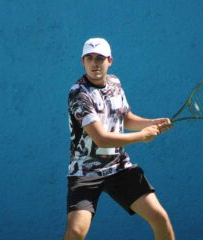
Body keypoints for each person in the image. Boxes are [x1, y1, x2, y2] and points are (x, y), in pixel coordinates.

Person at [64, 37, 175, 240]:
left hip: (119, 168)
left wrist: (152, 123)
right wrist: (142, 137)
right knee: (75, 232)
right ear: (82, 61)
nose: (95, 63)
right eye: (89, 58)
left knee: (160, 217)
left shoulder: (115, 83)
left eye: (100, 58)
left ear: (110, 60)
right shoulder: (78, 94)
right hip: (85, 172)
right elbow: (101, 139)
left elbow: (125, 117)